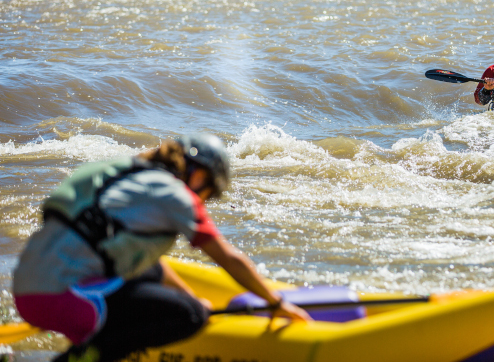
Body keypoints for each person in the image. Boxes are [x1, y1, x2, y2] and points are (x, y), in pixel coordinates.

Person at [13, 133, 311, 362]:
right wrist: (276, 303)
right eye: (209, 190)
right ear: (198, 174)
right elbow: (229, 258)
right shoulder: (176, 195)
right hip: (62, 298)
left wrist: (191, 295)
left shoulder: (123, 171)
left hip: (27, 289)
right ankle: (84, 356)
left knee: (173, 291)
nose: (205, 199)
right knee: (189, 316)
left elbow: (151, 265)